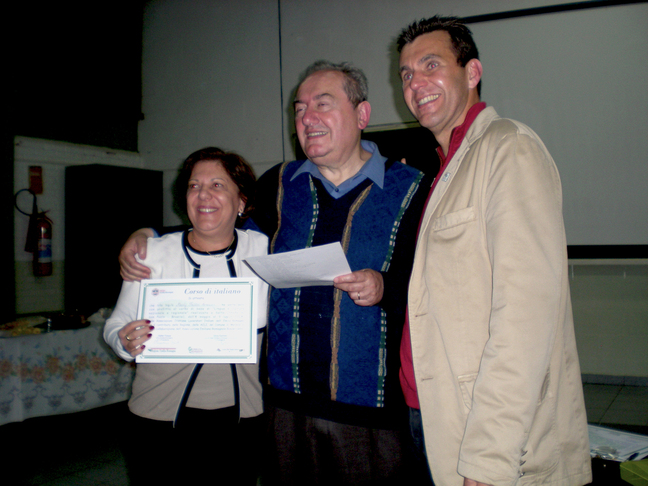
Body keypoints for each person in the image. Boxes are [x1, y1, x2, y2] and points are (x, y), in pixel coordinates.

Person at [119, 61, 431, 485]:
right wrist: (151, 235)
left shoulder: (411, 188)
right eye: (300, 109)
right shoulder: (280, 183)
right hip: (285, 407)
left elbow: (436, 281)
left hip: (371, 412)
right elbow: (219, 232)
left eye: (323, 104)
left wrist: (385, 284)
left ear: (362, 114)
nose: (307, 118)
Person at [396, 16, 592, 486]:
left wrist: (488, 456)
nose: (415, 83)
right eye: (405, 74)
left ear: (472, 72)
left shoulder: (507, 148)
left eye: (431, 65)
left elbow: (524, 317)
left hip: (480, 429)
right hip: (433, 413)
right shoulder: (445, 167)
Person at [104, 147, 269, 485]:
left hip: (242, 421)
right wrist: (123, 341)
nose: (203, 194)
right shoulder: (152, 253)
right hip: (157, 419)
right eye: (195, 186)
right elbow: (116, 325)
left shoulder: (264, 250)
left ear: (241, 201)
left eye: (217, 185)